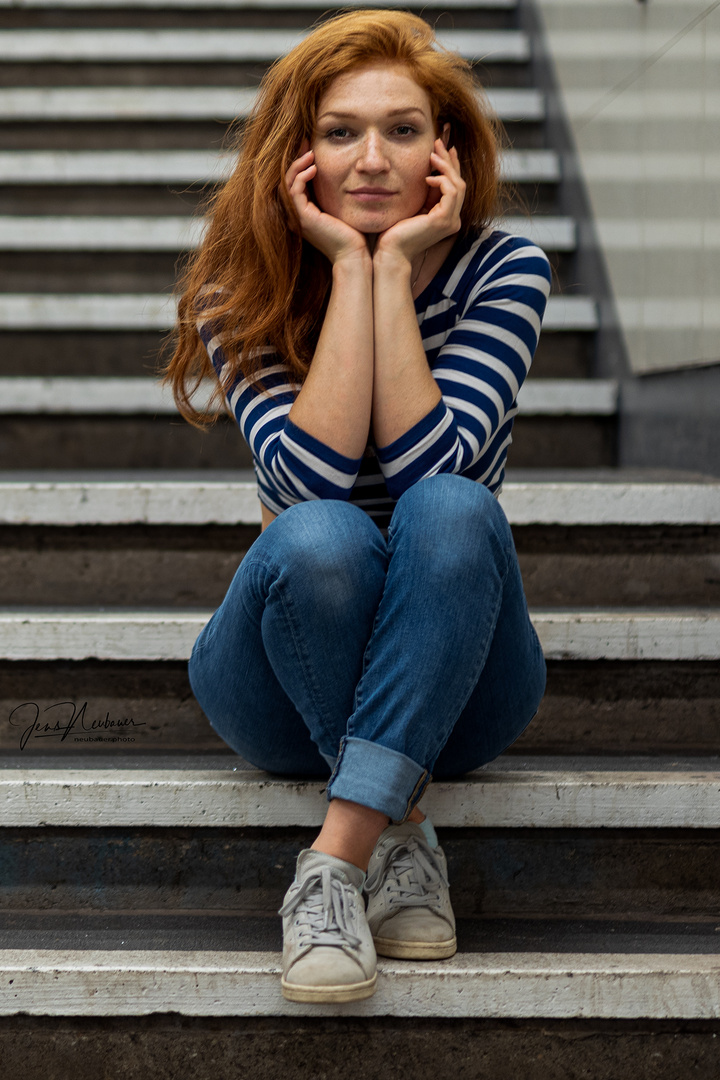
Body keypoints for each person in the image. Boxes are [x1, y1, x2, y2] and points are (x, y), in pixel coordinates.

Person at [165, 8, 551, 1005]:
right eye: (341, 131)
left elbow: (432, 466)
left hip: (461, 684)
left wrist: (395, 265)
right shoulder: (239, 288)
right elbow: (311, 486)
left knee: (456, 513)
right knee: (323, 536)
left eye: (403, 128)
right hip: (277, 686)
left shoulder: (503, 271)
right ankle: (405, 837)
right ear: (300, 155)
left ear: (446, 152)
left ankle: (334, 867)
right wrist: (352, 267)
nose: (372, 159)